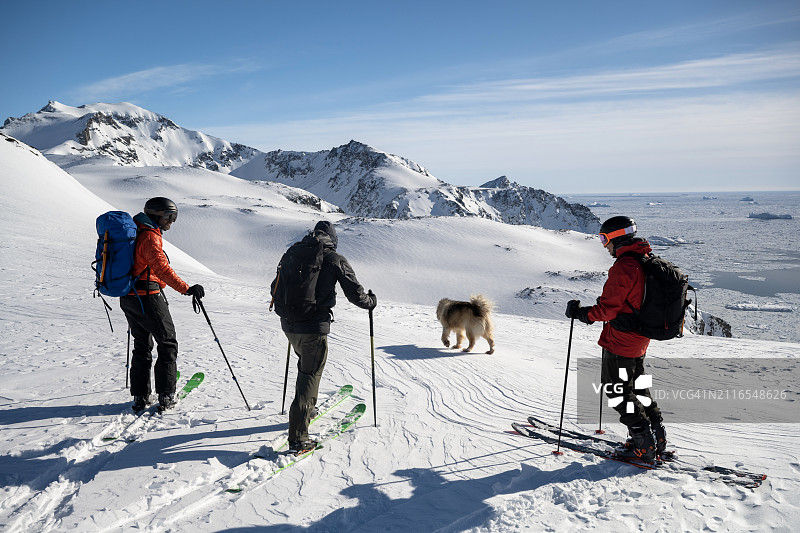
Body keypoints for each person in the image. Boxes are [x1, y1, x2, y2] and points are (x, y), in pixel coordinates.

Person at [565, 216, 666, 462]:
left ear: (616, 238)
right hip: (640, 339)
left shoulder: (625, 266)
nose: (604, 245)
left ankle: (643, 443)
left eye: (604, 239)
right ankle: (657, 434)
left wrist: (581, 313)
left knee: (617, 390)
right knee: (637, 387)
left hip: (621, 342)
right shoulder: (645, 259)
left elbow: (608, 310)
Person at [273, 221, 377, 454]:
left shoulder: (293, 252)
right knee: (309, 375)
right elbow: (355, 293)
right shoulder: (334, 259)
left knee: (306, 367)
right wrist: (371, 302)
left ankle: (307, 410)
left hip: (288, 325)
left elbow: (275, 287)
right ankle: (298, 438)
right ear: (333, 239)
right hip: (313, 327)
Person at [120, 197, 205, 413]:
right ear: (157, 215)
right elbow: (162, 269)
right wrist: (187, 288)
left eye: (174, 217)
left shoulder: (137, 230)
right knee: (167, 343)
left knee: (142, 344)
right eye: (169, 216)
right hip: (147, 297)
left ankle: (140, 396)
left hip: (129, 297)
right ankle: (166, 396)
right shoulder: (149, 237)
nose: (172, 221)